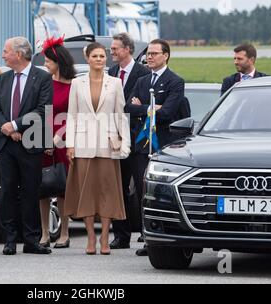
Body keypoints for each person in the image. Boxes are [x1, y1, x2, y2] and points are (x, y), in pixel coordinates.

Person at [64, 42, 131, 255]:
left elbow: (121, 116)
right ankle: (90, 239)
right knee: (86, 193)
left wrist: (125, 143)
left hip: (108, 145)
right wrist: (70, 145)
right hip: (83, 145)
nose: (100, 59)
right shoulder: (77, 83)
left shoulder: (115, 83)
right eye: (95, 56)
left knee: (107, 193)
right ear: (88, 58)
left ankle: (104, 239)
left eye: (103, 56)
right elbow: (72, 115)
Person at [0, 36, 53, 255]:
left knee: (30, 192)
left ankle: (31, 240)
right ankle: (9, 239)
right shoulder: (5, 78)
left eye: (6, 51)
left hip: (31, 143)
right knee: (7, 192)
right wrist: (6, 128)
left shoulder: (42, 77)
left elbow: (44, 110)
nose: (3, 55)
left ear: (19, 54)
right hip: (6, 144)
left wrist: (17, 125)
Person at [125, 39, 185, 256]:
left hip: (163, 145)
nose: (149, 57)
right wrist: (153, 108)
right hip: (142, 144)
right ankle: (147, 240)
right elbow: (128, 107)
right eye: (148, 54)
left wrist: (145, 107)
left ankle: (162, 238)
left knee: (159, 193)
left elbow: (168, 113)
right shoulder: (142, 81)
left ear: (165, 55)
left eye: (154, 53)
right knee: (143, 192)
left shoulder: (175, 81)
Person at [108, 32, 150, 249]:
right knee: (119, 188)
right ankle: (121, 236)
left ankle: (146, 233)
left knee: (142, 188)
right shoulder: (112, 72)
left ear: (127, 49)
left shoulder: (144, 73)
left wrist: (135, 107)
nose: (111, 51)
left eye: (115, 48)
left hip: (137, 139)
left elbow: (136, 108)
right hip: (116, 139)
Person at [38, 36, 75, 248]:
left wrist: (57, 138)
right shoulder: (45, 84)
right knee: (42, 188)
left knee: (62, 187)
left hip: (63, 140)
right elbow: (40, 112)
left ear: (58, 61)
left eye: (48, 62)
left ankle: (64, 232)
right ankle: (44, 232)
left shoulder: (73, 86)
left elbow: (73, 116)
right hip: (42, 138)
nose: (45, 65)